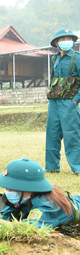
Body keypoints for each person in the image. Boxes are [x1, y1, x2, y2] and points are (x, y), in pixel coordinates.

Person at [0, 158, 80, 230]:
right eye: (8, 187)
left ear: (30, 188)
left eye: (14, 188)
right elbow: (3, 218)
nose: (9, 191)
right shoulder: (21, 198)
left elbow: (27, 230)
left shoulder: (47, 205)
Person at [45, 28, 80, 175]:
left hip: (69, 102)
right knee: (52, 133)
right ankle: (52, 167)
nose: (66, 41)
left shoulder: (77, 57)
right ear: (56, 43)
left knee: (71, 134)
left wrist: (76, 100)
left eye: (68, 38)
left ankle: (77, 167)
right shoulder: (54, 58)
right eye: (62, 39)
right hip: (54, 102)